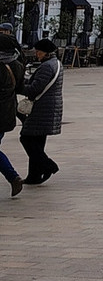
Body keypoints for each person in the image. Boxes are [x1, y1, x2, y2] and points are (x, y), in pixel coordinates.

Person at [20, 39, 64, 185]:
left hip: (41, 108)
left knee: (26, 138)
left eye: (38, 52)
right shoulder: (56, 63)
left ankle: (49, 165)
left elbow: (34, 89)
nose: (36, 54)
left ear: (46, 53)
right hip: (49, 107)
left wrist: (18, 87)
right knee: (37, 141)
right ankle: (34, 175)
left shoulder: (46, 67)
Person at [0, 36, 26, 196]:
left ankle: (13, 177)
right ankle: (13, 178)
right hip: (8, 112)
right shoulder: (17, 65)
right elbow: (21, 87)